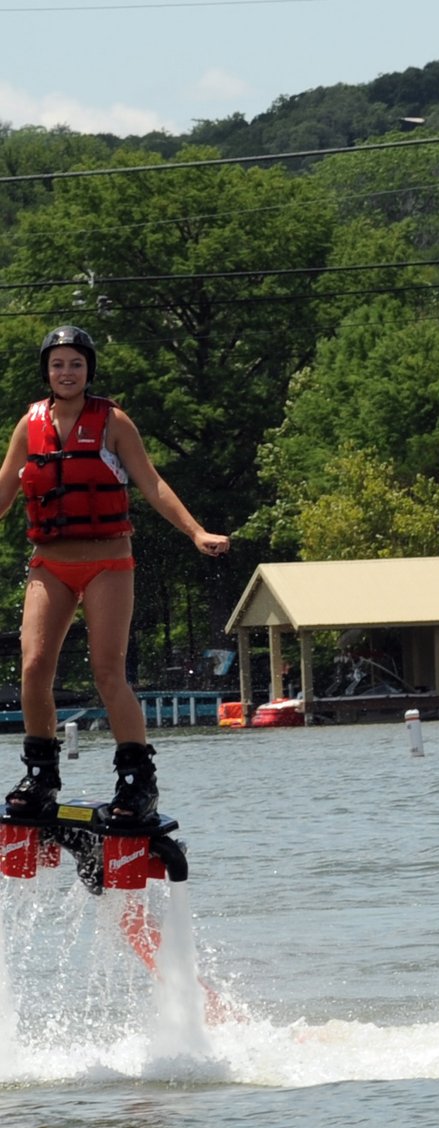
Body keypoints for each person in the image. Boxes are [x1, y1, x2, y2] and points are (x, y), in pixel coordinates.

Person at [0, 325, 230, 823]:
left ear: (89, 371)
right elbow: (2, 497)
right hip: (50, 562)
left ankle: (136, 784)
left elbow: (152, 483)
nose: (67, 372)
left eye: (76, 364)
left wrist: (196, 532)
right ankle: (40, 776)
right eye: (58, 364)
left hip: (108, 560)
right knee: (35, 666)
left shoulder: (113, 423)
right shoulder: (29, 424)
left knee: (107, 672)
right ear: (46, 370)